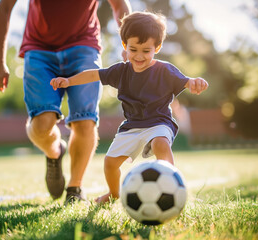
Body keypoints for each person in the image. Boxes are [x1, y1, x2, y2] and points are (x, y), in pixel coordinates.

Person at [50, 11, 209, 204]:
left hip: (159, 122)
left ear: (157, 47)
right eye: (133, 50)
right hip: (131, 126)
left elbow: (186, 82)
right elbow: (93, 75)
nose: (139, 56)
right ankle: (114, 194)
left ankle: (171, 188)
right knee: (109, 163)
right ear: (125, 45)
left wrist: (195, 82)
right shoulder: (121, 71)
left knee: (161, 143)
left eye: (146, 50)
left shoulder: (164, 70)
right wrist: (68, 81)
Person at [0, 0, 132, 204]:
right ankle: (54, 151)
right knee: (41, 124)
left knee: (85, 119)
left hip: (84, 46)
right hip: (38, 50)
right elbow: (4, 7)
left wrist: (128, 45)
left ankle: (75, 188)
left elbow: (119, 5)